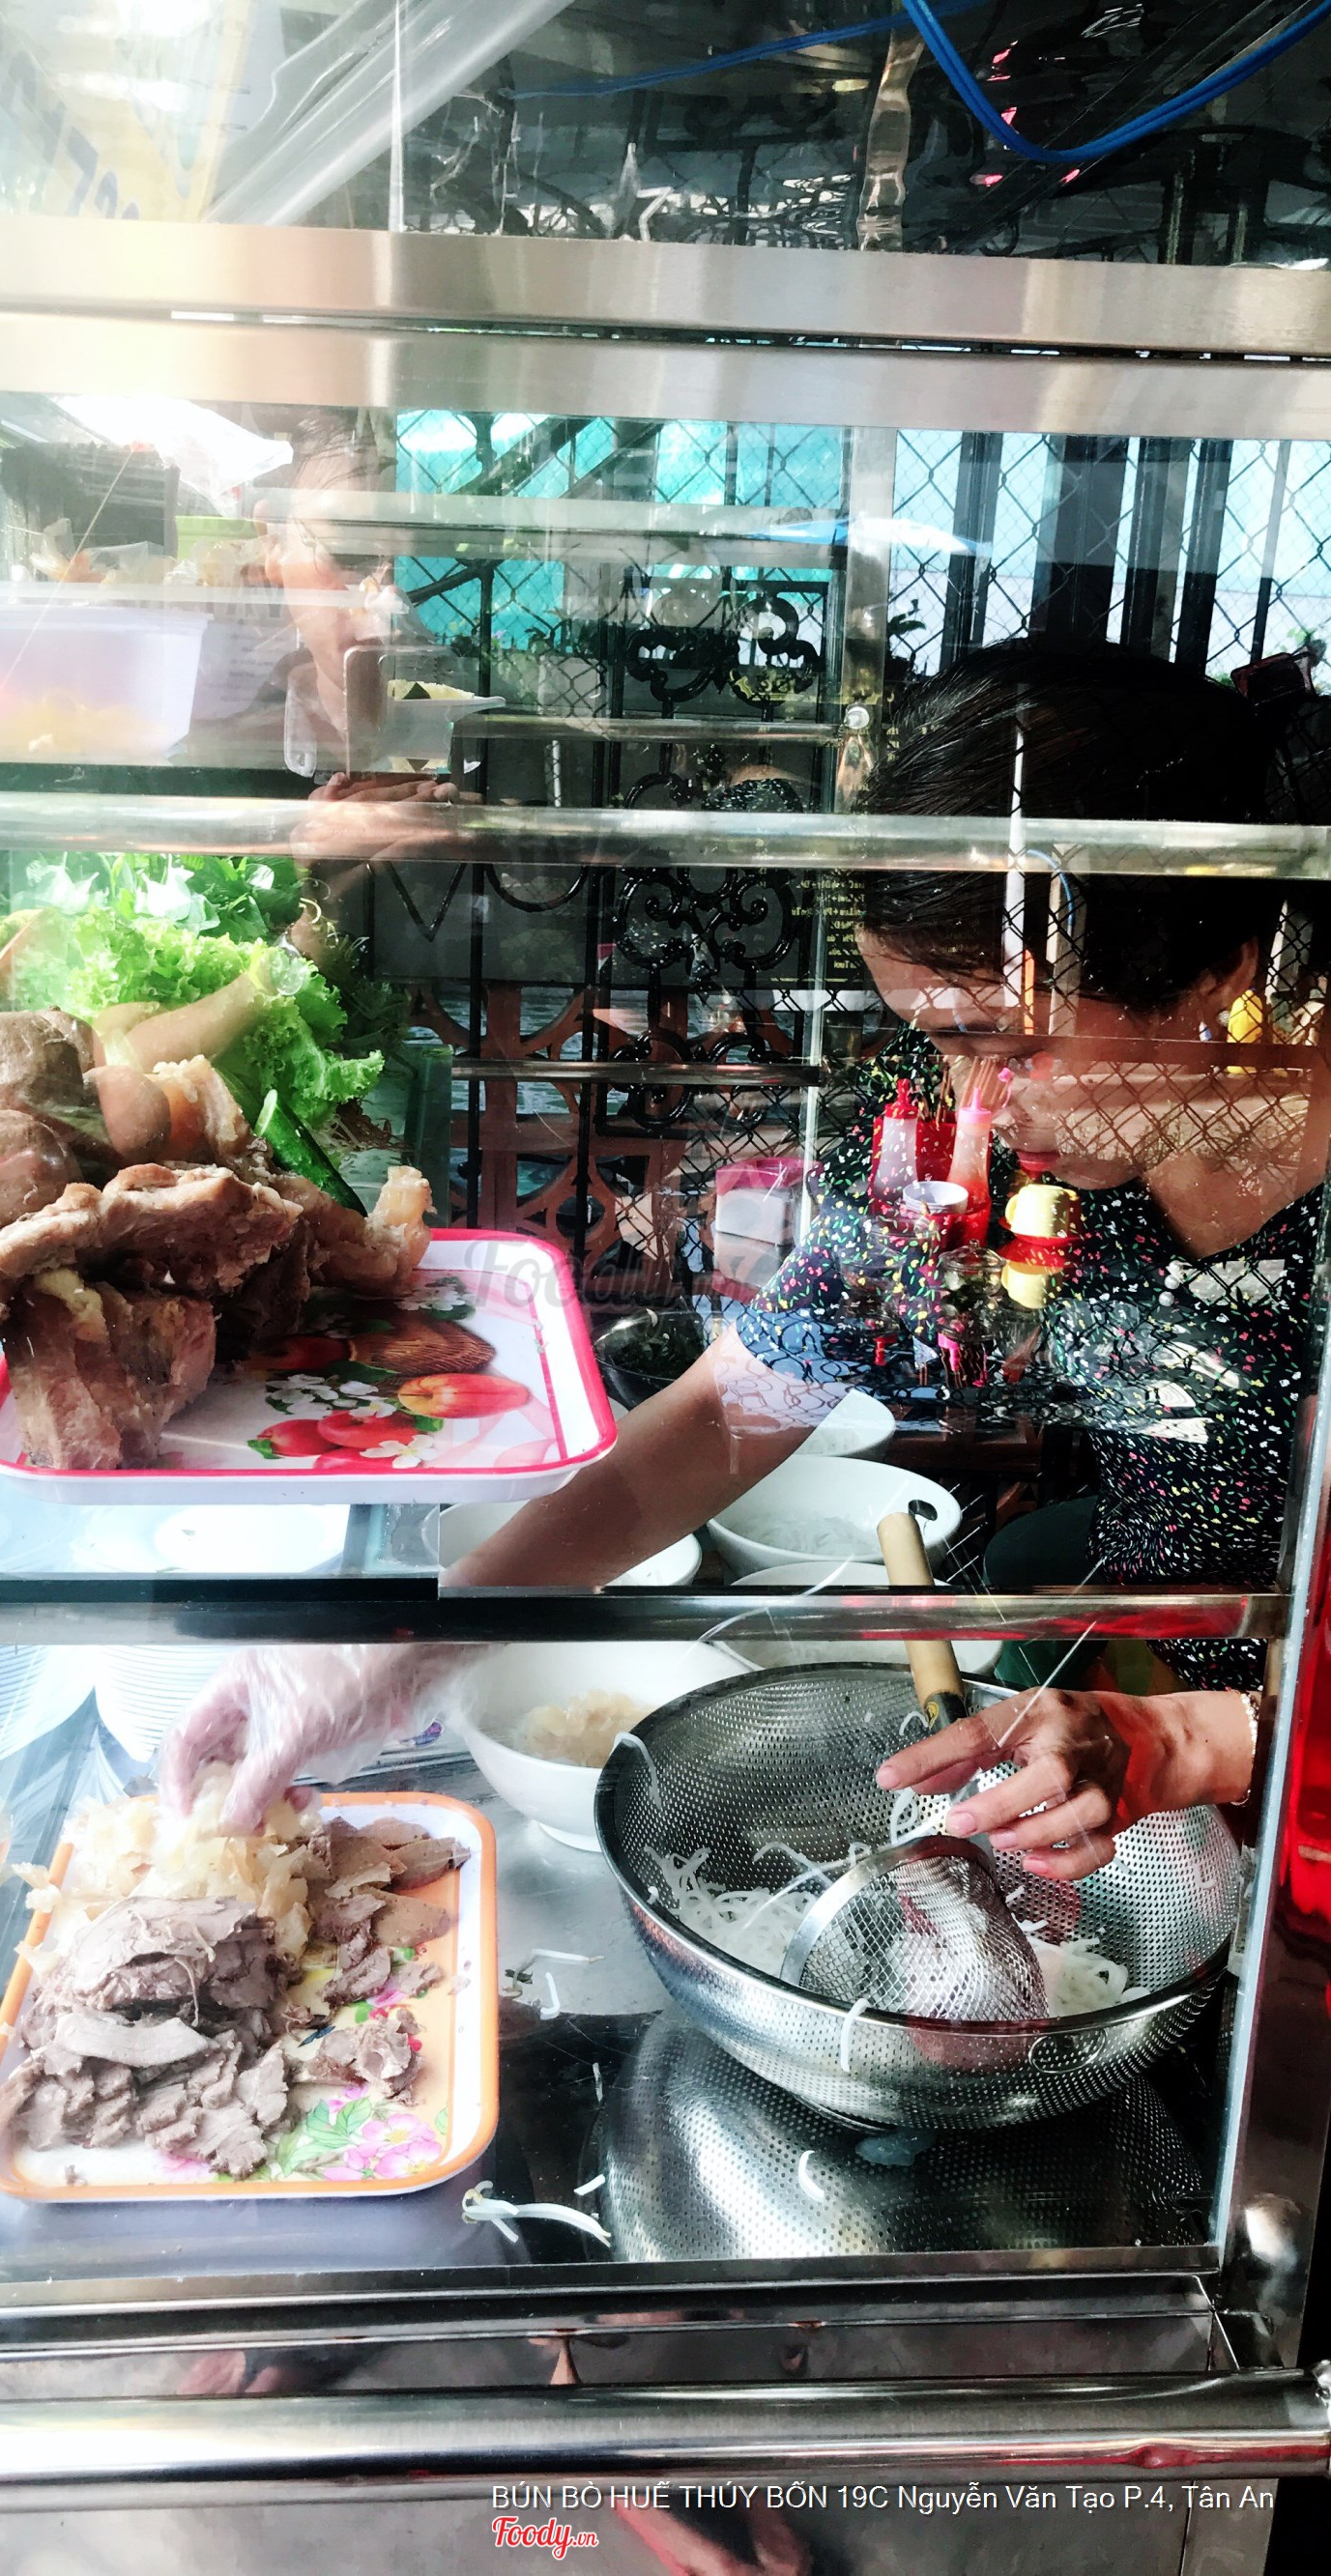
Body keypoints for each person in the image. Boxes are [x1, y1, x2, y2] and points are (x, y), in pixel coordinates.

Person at [162, 643, 1329, 1876]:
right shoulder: (986, 1141)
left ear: (1220, 974)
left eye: (1006, 1043)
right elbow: (735, 1408)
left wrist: (1198, 1740)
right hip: (1166, 1747)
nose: (972, 1102)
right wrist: (412, 1635)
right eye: (937, 1041)